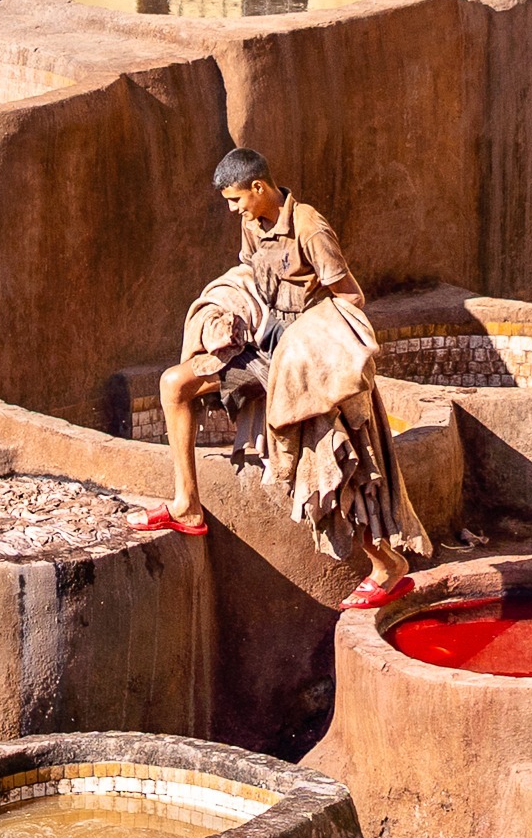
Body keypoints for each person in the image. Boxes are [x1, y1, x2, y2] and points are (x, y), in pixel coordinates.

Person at [128, 147, 430, 608]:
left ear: (259, 187)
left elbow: (351, 298)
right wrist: (229, 315)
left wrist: (304, 342)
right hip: (264, 346)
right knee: (175, 384)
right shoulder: (252, 224)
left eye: (236, 200)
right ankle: (186, 505)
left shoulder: (310, 228)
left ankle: (388, 564)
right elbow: (251, 276)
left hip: (308, 363)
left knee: (330, 465)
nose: (233, 210)